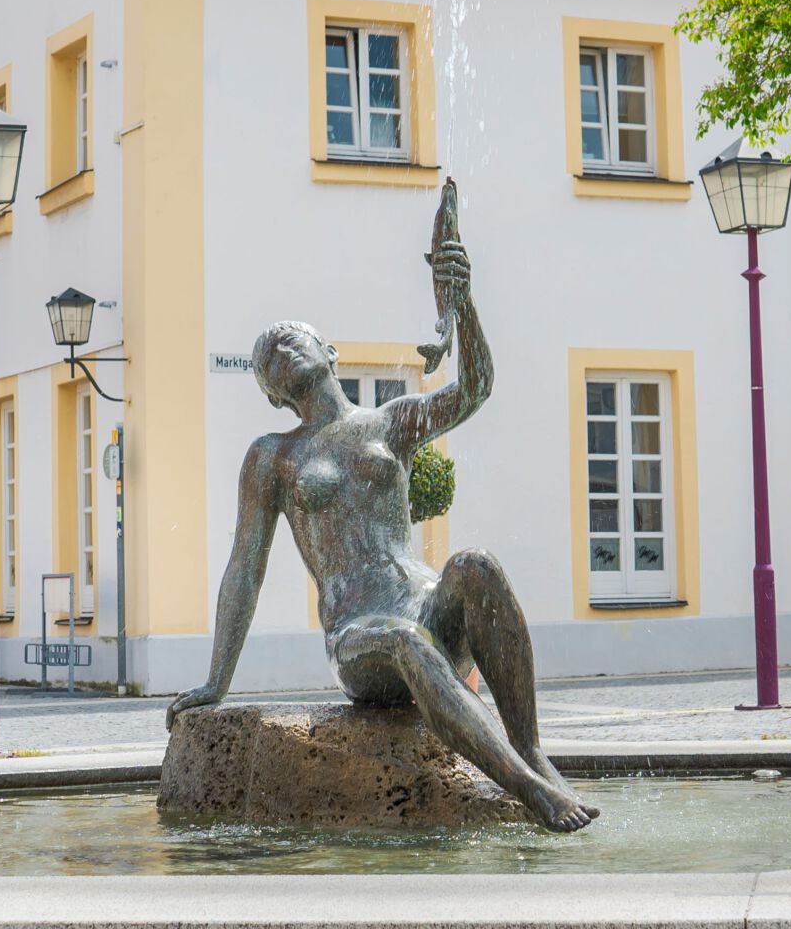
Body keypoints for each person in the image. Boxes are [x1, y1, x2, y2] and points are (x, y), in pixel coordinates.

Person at [166, 185, 595, 832]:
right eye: (267, 359)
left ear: (329, 352)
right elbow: (244, 568)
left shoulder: (389, 423)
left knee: (474, 564)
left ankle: (529, 748)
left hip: (426, 608)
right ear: (274, 394)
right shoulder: (273, 455)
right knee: (403, 639)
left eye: (289, 340)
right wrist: (215, 683)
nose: (279, 352)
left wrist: (464, 302)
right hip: (361, 636)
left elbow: (475, 387)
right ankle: (530, 792)